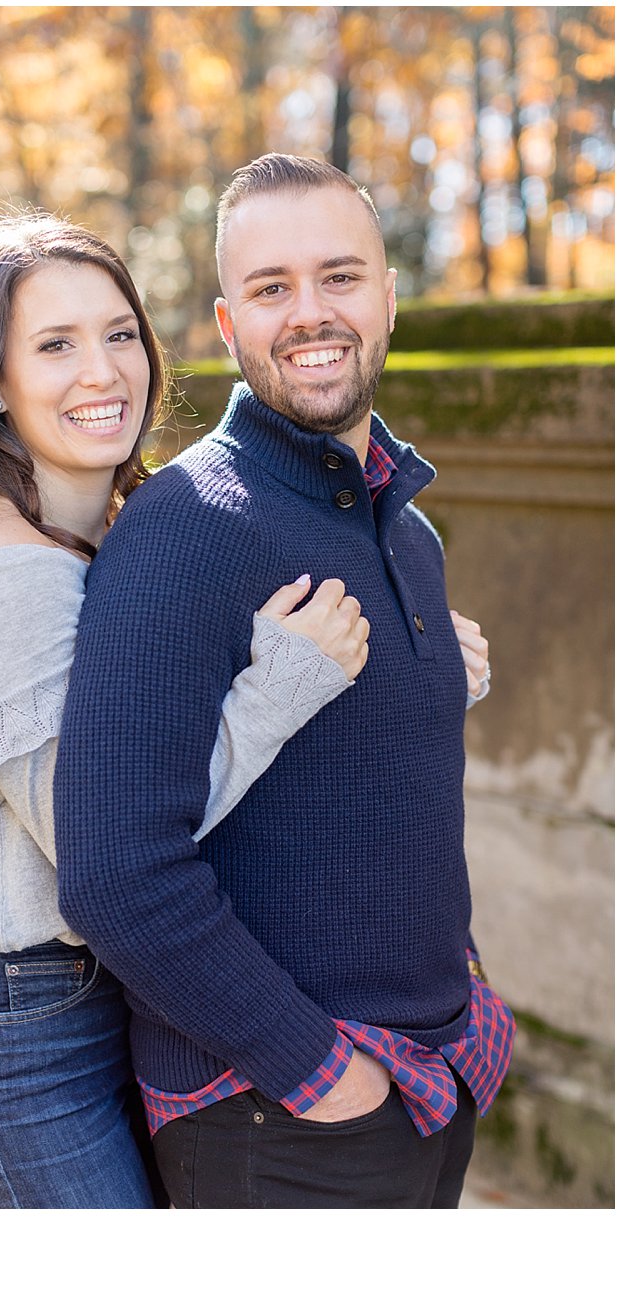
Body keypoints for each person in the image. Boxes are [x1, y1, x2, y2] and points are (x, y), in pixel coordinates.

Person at [0, 213, 391, 1209]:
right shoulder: (6, 580)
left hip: (108, 1009)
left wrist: (422, 649)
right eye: (54, 345)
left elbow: (193, 712)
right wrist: (278, 685)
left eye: (118, 333)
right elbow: (108, 838)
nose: (101, 370)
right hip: (16, 1054)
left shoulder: (89, 546)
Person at [55, 154, 512, 1209]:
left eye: (339, 277)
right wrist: (322, 1073)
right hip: (274, 1116)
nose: (309, 313)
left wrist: (465, 993)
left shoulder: (407, 530)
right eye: (271, 289)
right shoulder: (182, 528)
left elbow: (391, 795)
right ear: (227, 324)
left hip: (430, 1083)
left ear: (389, 296)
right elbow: (117, 872)